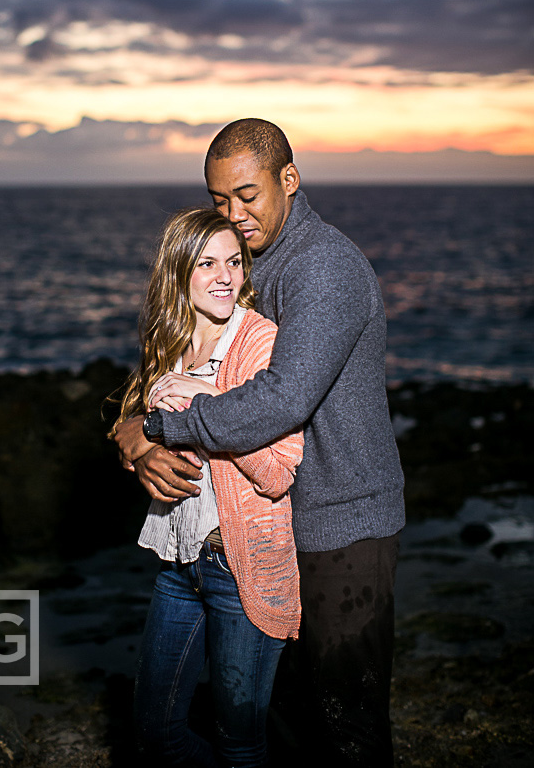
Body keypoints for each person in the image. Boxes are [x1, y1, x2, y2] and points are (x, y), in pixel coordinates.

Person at [115, 118, 405, 767]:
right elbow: (181, 365)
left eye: (247, 194)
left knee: (345, 723)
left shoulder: (321, 266)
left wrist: (159, 427)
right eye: (219, 200)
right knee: (287, 719)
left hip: (342, 525)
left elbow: (279, 401)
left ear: (289, 180)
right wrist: (130, 430)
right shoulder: (244, 267)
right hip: (272, 530)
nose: (233, 213)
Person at [111, 205, 304, 768]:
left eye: (234, 261)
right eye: (206, 263)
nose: (225, 275)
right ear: (178, 273)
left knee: (240, 743)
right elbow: (136, 433)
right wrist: (142, 450)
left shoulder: (261, 343)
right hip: (178, 565)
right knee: (155, 732)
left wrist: (198, 408)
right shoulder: (168, 345)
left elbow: (278, 470)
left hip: (240, 569)